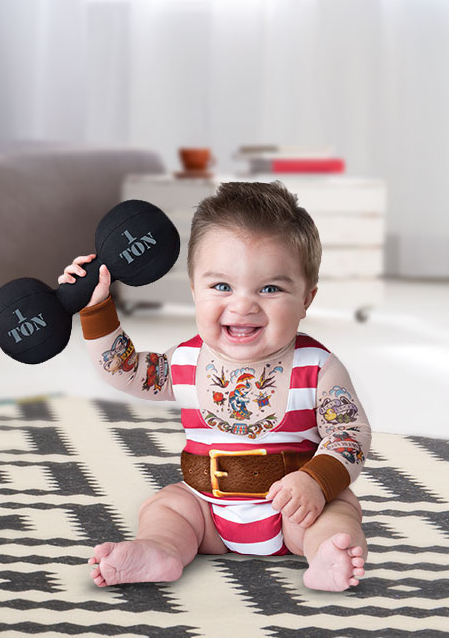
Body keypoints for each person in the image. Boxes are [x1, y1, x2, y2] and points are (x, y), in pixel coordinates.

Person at [59, 181, 371, 592]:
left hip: (294, 509)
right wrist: (95, 308)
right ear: (194, 290)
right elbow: (127, 370)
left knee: (339, 511)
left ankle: (325, 553)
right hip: (207, 509)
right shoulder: (187, 360)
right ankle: (161, 549)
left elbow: (349, 434)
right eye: (221, 286)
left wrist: (316, 481)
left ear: (307, 299)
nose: (243, 305)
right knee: (166, 507)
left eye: (271, 288)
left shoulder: (316, 366)